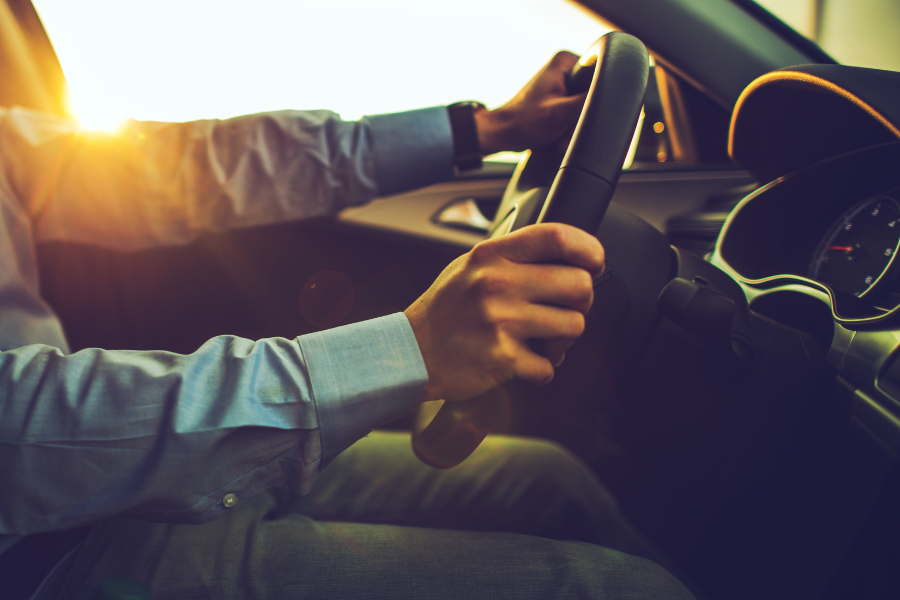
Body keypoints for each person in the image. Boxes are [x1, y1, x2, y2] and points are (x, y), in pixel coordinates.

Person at [0, 51, 694, 599]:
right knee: (620, 592)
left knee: (545, 480)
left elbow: (183, 168)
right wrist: (406, 352)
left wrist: (485, 130)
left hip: (123, 485)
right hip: (45, 562)